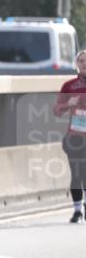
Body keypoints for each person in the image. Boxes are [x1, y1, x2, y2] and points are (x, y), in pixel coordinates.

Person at [53, 49, 86, 224]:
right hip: (75, 136)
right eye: (81, 61)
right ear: (77, 64)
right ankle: (77, 211)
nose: (84, 63)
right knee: (77, 173)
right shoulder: (69, 86)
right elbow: (56, 111)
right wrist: (68, 103)